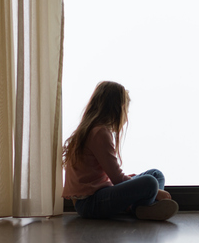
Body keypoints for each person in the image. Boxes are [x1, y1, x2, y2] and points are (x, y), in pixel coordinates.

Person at [62, 81, 179, 220]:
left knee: (155, 174)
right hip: (90, 204)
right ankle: (141, 207)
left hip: (96, 196)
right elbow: (117, 178)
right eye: (126, 110)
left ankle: (143, 207)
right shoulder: (99, 132)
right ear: (118, 109)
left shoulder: (90, 130)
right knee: (151, 183)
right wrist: (157, 192)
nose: (126, 116)